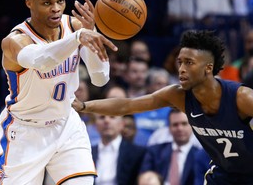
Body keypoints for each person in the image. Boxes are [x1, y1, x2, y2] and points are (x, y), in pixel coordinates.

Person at [73, 30, 253, 184]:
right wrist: (84, 106)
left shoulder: (242, 98)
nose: (181, 68)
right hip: (223, 175)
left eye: (189, 63)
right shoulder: (179, 95)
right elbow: (127, 105)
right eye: (180, 62)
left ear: (208, 68)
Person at [0, 0, 117, 185]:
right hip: (26, 132)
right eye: (46, 3)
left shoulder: (75, 27)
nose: (56, 8)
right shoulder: (15, 40)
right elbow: (41, 61)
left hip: (66, 125)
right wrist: (79, 37)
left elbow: (100, 79)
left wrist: (91, 33)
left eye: (61, 1)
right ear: (29, 4)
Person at [139, 109, 199, 185]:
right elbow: (144, 176)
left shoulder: (199, 155)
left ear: (191, 126)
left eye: (184, 124)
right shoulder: (154, 151)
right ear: (169, 128)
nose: (180, 128)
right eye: (175, 124)